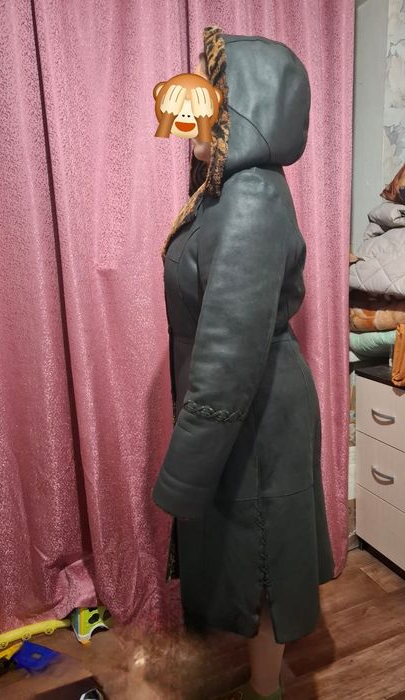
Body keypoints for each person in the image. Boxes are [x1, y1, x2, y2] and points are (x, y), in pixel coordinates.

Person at [152, 25, 335, 700]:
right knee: (253, 551)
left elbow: (229, 355)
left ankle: (269, 689)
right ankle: (272, 675)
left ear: (245, 105)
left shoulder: (250, 197)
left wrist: (182, 477)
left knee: (261, 559)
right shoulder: (226, 192)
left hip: (257, 413)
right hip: (251, 404)